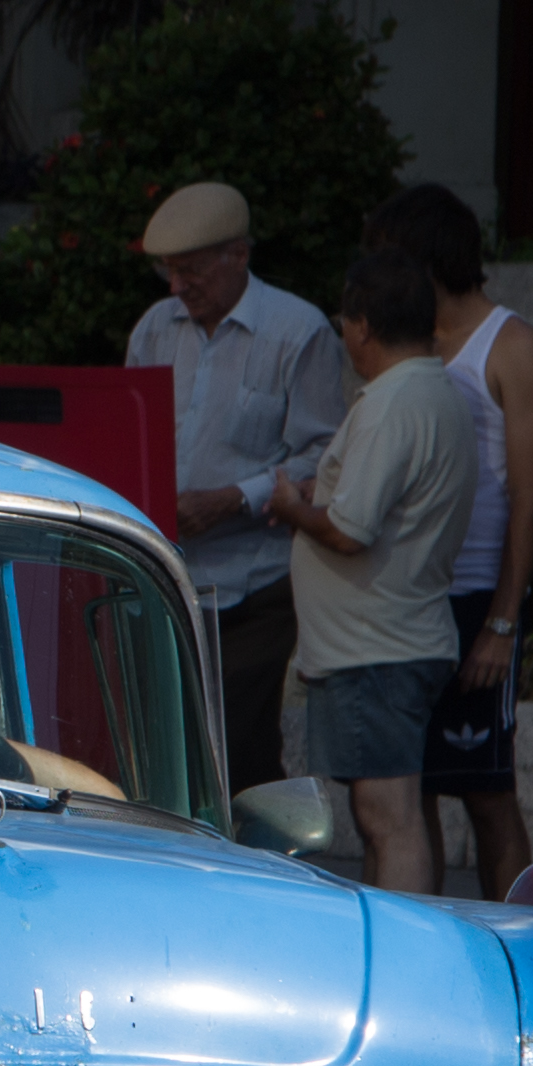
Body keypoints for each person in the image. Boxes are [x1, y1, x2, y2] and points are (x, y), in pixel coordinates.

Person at [124, 180, 347, 793]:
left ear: (238, 256)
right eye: (169, 272)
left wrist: (233, 498)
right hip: (167, 577)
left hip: (253, 586)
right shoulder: (153, 329)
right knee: (161, 760)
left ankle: (260, 877)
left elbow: (326, 453)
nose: (177, 288)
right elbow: (131, 433)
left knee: (243, 758)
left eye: (191, 271)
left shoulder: (298, 332)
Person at [378, 184, 533, 899]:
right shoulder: (408, 340)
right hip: (405, 594)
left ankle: (516, 932)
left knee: (486, 789)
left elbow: (529, 496)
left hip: (476, 591)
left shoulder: (512, 346)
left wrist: (502, 622)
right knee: (406, 788)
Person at [281, 240, 476, 895]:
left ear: (361, 325)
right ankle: (388, 941)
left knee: (387, 818)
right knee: (387, 818)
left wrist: (290, 504)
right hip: (387, 639)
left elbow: (347, 531)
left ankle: (405, 956)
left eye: (344, 324)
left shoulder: (393, 402)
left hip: (378, 648)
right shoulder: (435, 391)